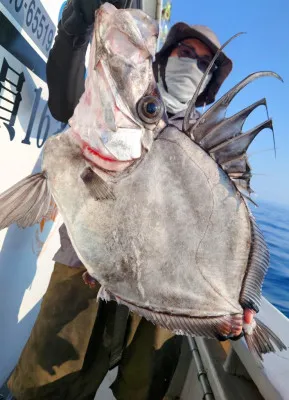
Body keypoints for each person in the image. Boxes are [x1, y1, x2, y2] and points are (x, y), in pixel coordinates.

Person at [7, 1, 233, 399]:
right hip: (83, 268)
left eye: (203, 62)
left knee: (142, 389)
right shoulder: (128, 93)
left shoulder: (214, 143)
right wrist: (76, 29)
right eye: (185, 52)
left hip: (166, 293)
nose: (192, 64)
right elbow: (65, 101)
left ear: (210, 79)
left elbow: (227, 222)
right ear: (166, 57)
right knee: (44, 386)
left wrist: (232, 300)